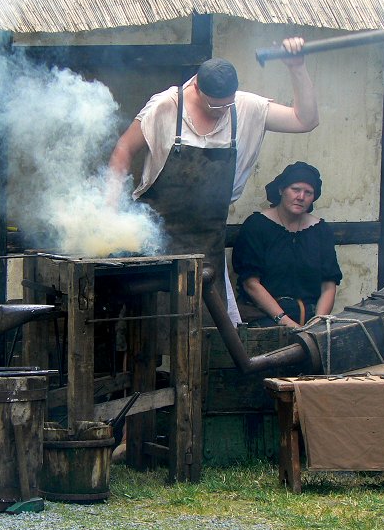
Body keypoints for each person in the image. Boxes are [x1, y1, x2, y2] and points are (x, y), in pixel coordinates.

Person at [107, 38, 318, 323]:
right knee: (147, 335)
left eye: (225, 105)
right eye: (213, 106)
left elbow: (305, 120)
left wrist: (297, 67)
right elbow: (124, 149)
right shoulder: (166, 106)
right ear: (195, 86)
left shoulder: (246, 107)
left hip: (207, 246)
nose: (220, 112)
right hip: (155, 242)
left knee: (205, 335)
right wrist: (110, 207)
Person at [232, 161, 342, 328]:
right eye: (295, 189)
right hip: (264, 318)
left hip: (309, 319)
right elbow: (251, 283)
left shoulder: (320, 231)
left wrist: (318, 323)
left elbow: (328, 285)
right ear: (281, 190)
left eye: (308, 192)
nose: (301, 197)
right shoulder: (256, 226)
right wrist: (286, 323)